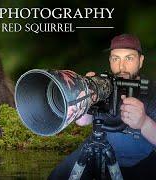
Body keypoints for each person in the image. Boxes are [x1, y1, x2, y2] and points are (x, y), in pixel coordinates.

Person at [49, 34, 156, 180]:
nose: (121, 66)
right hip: (96, 152)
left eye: (129, 58)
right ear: (110, 60)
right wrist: (85, 95)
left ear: (141, 60)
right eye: (115, 58)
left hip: (141, 161)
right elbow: (83, 121)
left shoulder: (152, 91)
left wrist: (144, 122)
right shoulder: (103, 85)